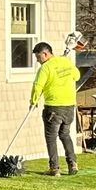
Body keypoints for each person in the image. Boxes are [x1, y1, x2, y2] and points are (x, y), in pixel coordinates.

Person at [29, 41, 82, 176]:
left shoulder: (45, 68)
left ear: (45, 54)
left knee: (51, 137)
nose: (37, 60)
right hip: (69, 107)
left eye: (38, 57)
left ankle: (54, 168)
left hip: (53, 107)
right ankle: (73, 164)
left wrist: (33, 101)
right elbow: (77, 76)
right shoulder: (66, 62)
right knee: (65, 135)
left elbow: (37, 86)